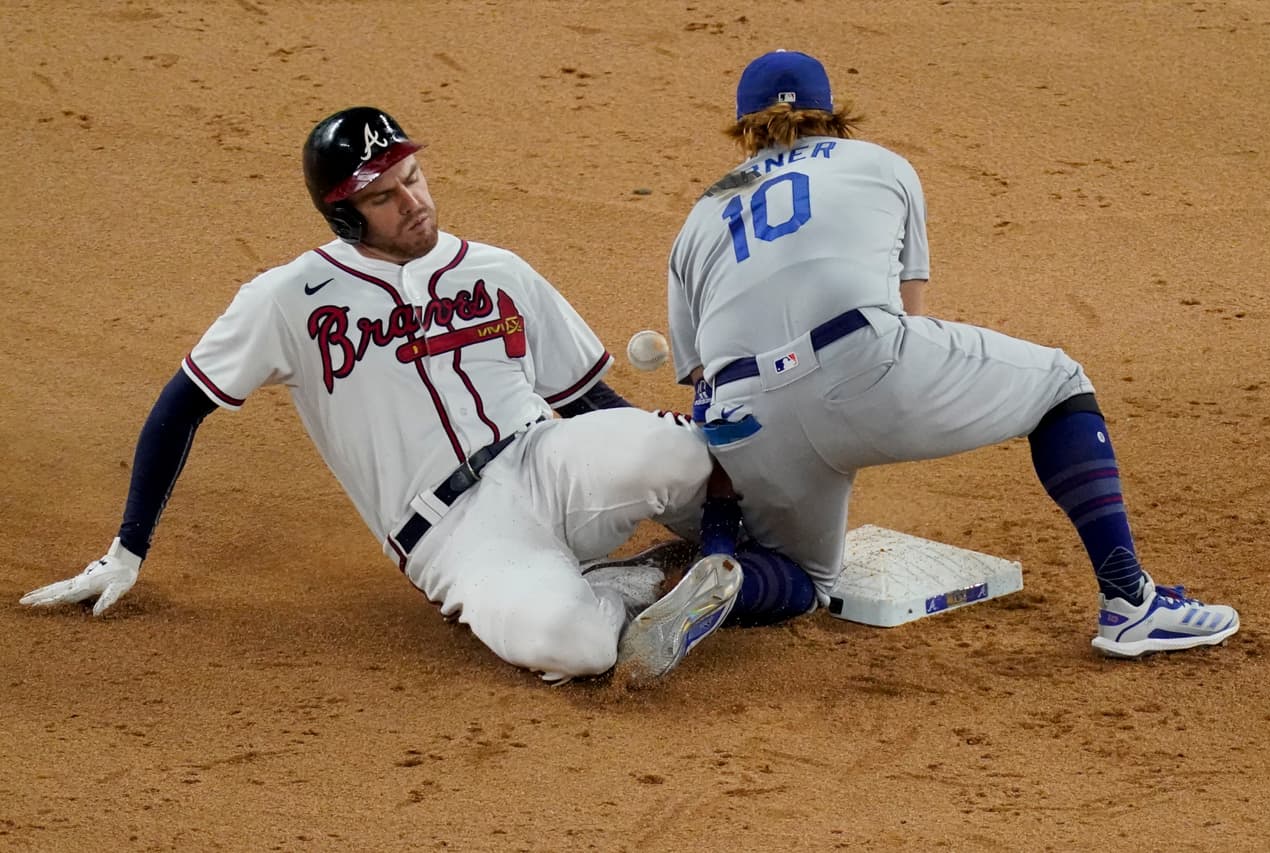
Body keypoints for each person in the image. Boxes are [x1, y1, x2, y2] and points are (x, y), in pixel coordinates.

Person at [19, 106, 744, 685]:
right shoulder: (287, 301)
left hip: (546, 459)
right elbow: (182, 403)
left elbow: (587, 399)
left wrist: (683, 463)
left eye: (415, 178)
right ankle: (627, 586)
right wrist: (127, 549)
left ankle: (740, 553)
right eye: (383, 195)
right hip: (457, 532)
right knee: (578, 646)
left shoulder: (497, 270)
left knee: (681, 449)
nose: (413, 202)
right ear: (345, 214)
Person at [663, 50, 1240, 658]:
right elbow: (911, 316)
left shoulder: (697, 220)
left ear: (743, 127)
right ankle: (1129, 602)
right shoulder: (880, 164)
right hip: (865, 366)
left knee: (805, 582)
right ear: (830, 114)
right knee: (1062, 384)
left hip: (748, 416)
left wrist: (724, 526)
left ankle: (703, 582)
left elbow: (703, 387)